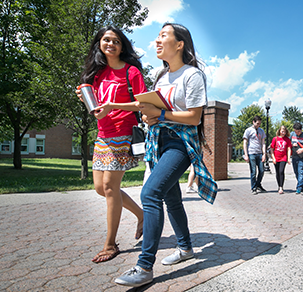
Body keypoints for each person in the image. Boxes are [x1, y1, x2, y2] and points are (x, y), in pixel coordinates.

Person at [115, 23, 218, 287]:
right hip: (158, 142)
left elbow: (194, 118)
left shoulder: (192, 75)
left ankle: (144, 266)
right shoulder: (161, 76)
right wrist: (144, 113)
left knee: (149, 193)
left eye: (163, 36)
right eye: (157, 36)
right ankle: (186, 248)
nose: (157, 41)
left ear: (180, 43)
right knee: (171, 198)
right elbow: (147, 106)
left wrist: (160, 114)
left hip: (180, 144)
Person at [75, 26, 145, 263]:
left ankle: (110, 244)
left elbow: (142, 104)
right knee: (100, 188)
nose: (110, 44)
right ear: (100, 44)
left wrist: (113, 106)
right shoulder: (96, 74)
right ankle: (141, 215)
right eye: (106, 40)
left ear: (122, 46)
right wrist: (86, 98)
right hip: (102, 135)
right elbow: (97, 110)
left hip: (123, 134)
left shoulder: (131, 72)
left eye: (116, 41)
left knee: (109, 186)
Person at [243, 116, 267, 195]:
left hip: (259, 153)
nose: (258, 125)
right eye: (257, 123)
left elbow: (263, 143)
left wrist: (264, 154)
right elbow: (245, 143)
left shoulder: (261, 131)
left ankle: (258, 185)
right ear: (253, 122)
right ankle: (253, 187)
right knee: (253, 172)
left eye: (260, 124)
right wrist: (246, 155)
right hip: (251, 153)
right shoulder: (248, 130)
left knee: (262, 171)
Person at [270, 125, 292, 194]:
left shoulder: (287, 139)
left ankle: (281, 187)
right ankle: (279, 185)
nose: (283, 133)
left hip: (283, 157)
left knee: (281, 171)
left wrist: (288, 158)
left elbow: (289, 149)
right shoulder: (275, 139)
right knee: (277, 172)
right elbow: (271, 149)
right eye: (282, 131)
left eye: (284, 132)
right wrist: (273, 158)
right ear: (279, 131)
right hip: (276, 157)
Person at [290, 122, 303, 194]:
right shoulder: (292, 134)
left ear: (301, 130)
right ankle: (301, 185)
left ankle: (298, 187)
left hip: (302, 157)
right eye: (296, 132)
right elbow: (287, 143)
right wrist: (292, 144)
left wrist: (302, 149)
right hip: (294, 156)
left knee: (301, 171)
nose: (297, 133)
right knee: (296, 172)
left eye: (299, 132)